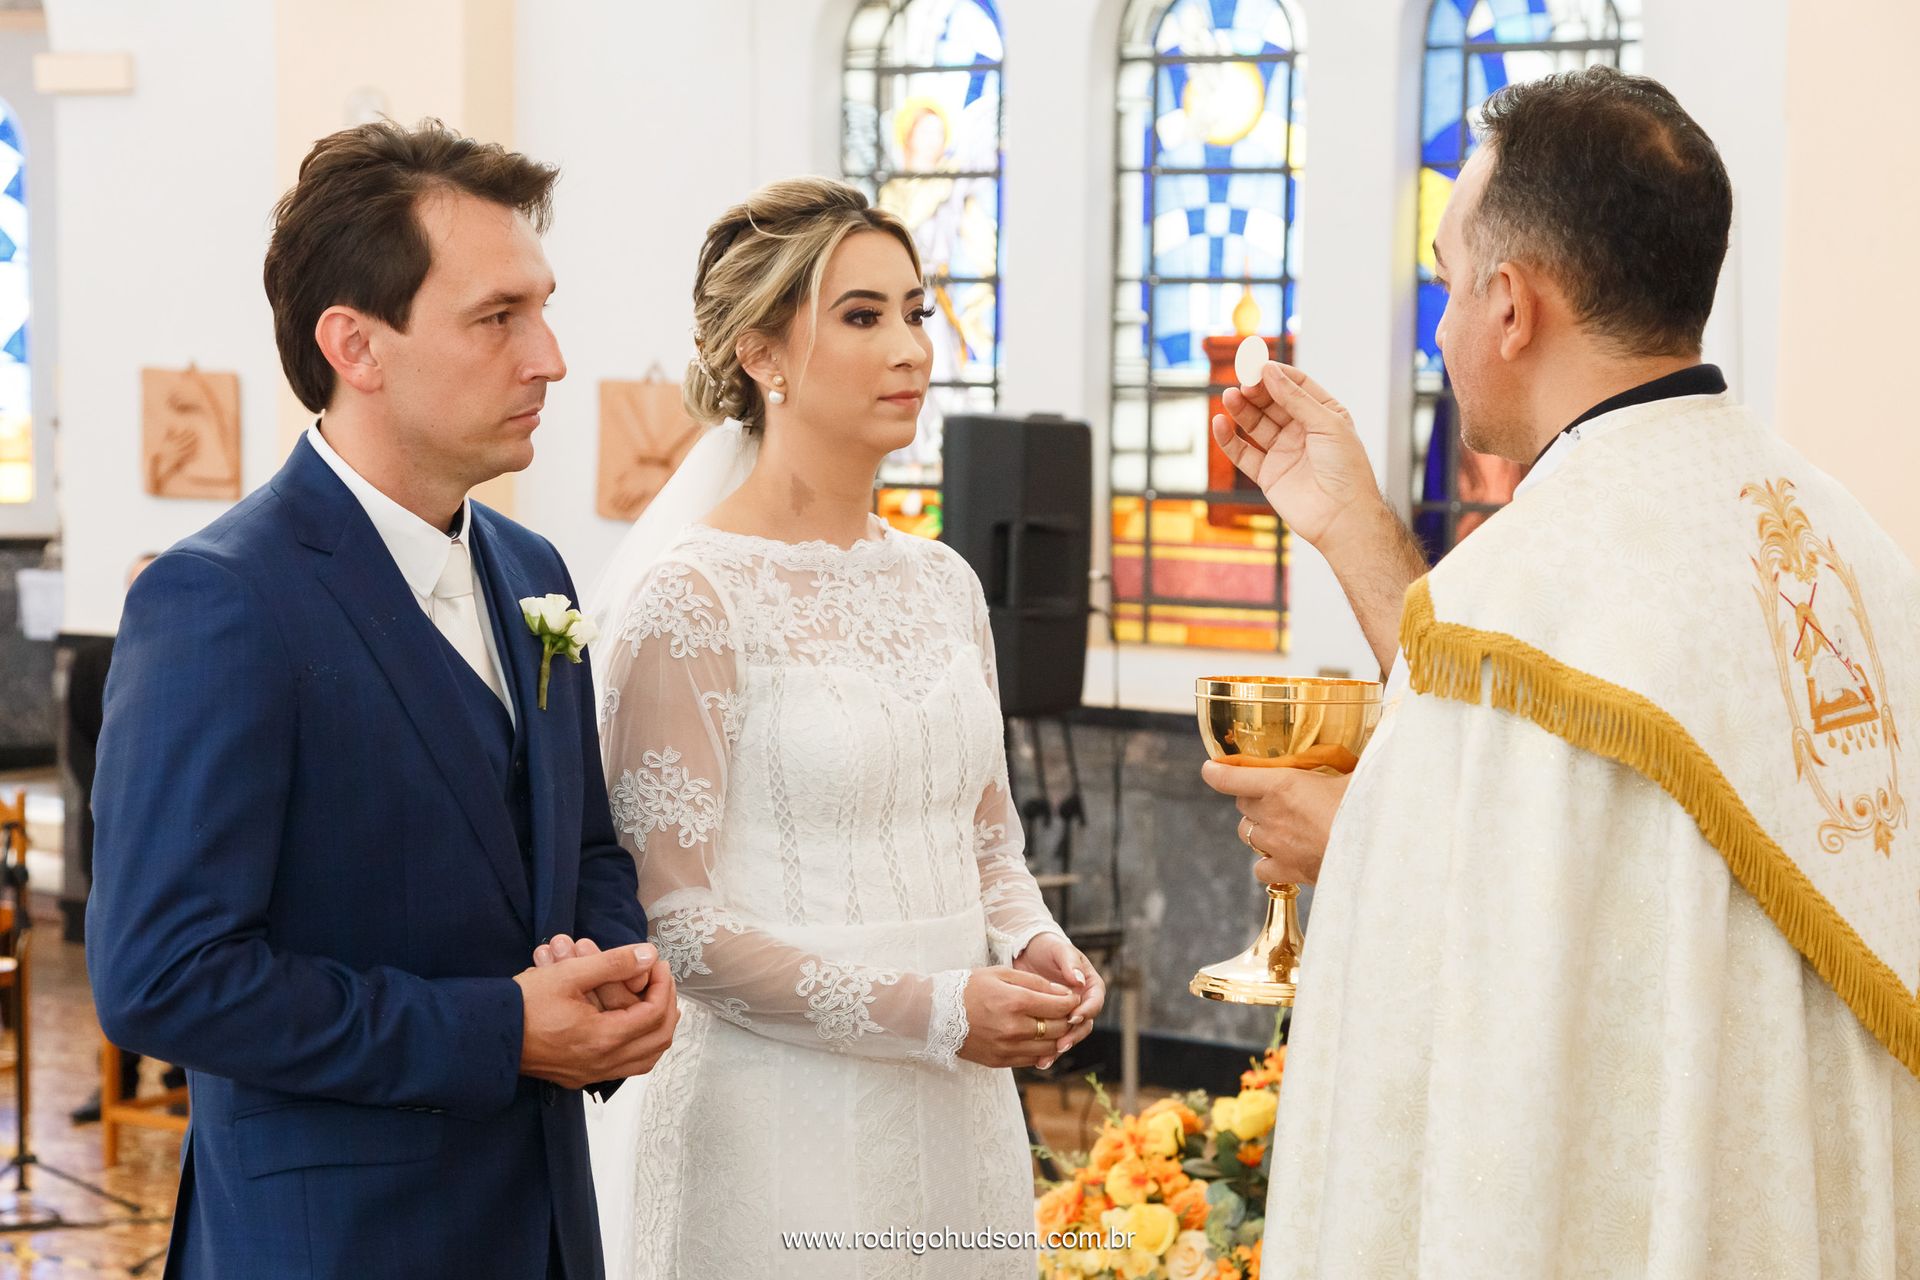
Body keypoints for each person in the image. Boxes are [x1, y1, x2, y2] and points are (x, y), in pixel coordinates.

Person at [1206, 67, 1920, 1274]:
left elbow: (1533, 945)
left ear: (1510, 307)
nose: (1439, 330)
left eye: (1446, 284)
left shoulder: (1544, 576)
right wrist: (1354, 525)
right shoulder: (1850, 543)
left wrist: (1351, 841)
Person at [86, 120, 675, 1279]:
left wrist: (611, 966)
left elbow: (584, 844)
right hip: (335, 1240)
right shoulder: (222, 599)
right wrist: (504, 1029)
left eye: (543, 308)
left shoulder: (535, 570)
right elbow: (162, 975)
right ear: (355, 343)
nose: (550, 356)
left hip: (546, 1222)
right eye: (498, 317)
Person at [587, 177, 1106, 1279]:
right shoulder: (695, 600)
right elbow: (676, 922)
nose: (911, 348)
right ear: (761, 356)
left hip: (957, 1109)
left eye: (916, 311)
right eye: (863, 316)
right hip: (782, 1119)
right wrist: (935, 1010)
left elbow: (987, 846)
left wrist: (1035, 945)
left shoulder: (946, 583)